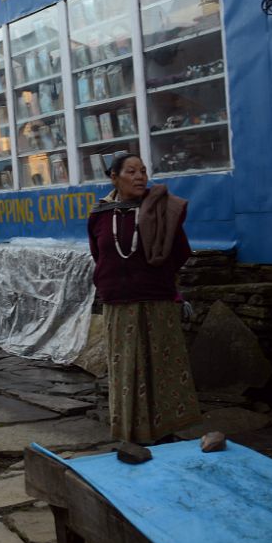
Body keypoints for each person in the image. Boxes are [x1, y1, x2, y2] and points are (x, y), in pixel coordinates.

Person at [87, 153, 201, 444]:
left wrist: (155, 278)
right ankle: (131, 431)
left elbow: (179, 252)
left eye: (143, 171)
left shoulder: (161, 210)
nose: (139, 177)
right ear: (114, 177)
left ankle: (165, 431)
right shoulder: (100, 215)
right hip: (118, 301)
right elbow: (99, 255)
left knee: (160, 366)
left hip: (156, 299)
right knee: (126, 368)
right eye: (131, 171)